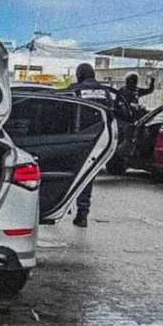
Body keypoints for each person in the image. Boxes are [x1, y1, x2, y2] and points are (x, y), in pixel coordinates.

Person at [68, 63, 117, 228]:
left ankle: (69, 208)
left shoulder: (75, 90)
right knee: (88, 175)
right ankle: (82, 212)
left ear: (79, 74)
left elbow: (64, 113)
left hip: (79, 138)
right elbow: (112, 113)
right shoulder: (106, 92)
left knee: (75, 175)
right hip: (101, 138)